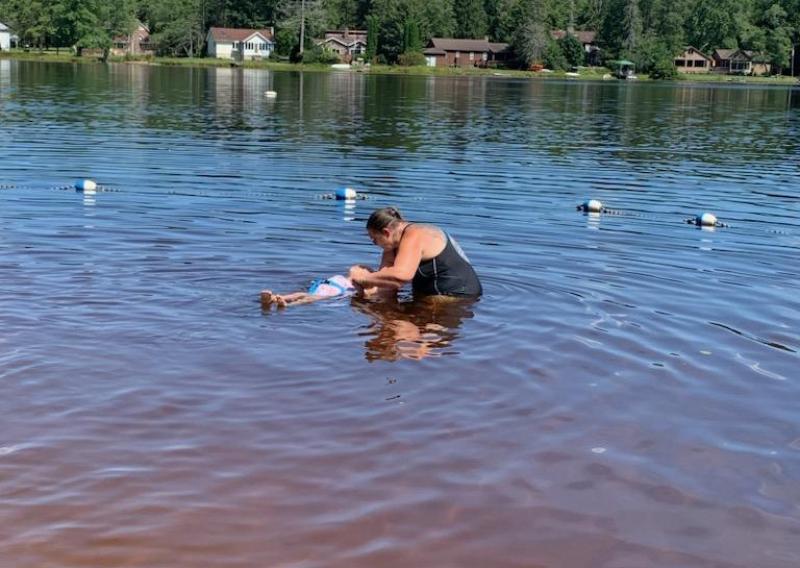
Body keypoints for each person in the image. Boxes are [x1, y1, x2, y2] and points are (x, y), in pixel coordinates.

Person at [349, 207, 482, 298]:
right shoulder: (391, 245)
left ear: (386, 232)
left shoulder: (415, 234)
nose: (375, 244)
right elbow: (390, 286)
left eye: (375, 239)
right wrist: (362, 290)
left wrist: (364, 278)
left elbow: (402, 275)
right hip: (429, 297)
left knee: (407, 333)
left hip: (457, 296)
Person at [261, 274, 376, 310]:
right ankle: (276, 298)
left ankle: (285, 303)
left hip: (324, 294)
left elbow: (365, 293)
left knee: (307, 297)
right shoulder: (344, 279)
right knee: (302, 295)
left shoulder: (354, 288)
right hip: (319, 290)